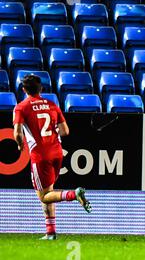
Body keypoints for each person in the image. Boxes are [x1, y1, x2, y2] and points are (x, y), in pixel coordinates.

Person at [13, 75, 91, 240]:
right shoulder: (52, 105)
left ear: (23, 89)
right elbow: (65, 131)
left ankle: (72, 194)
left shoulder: (21, 107)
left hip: (40, 155)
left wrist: (20, 145)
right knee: (48, 190)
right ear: (41, 89)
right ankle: (50, 232)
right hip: (57, 152)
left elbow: (17, 133)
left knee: (44, 196)